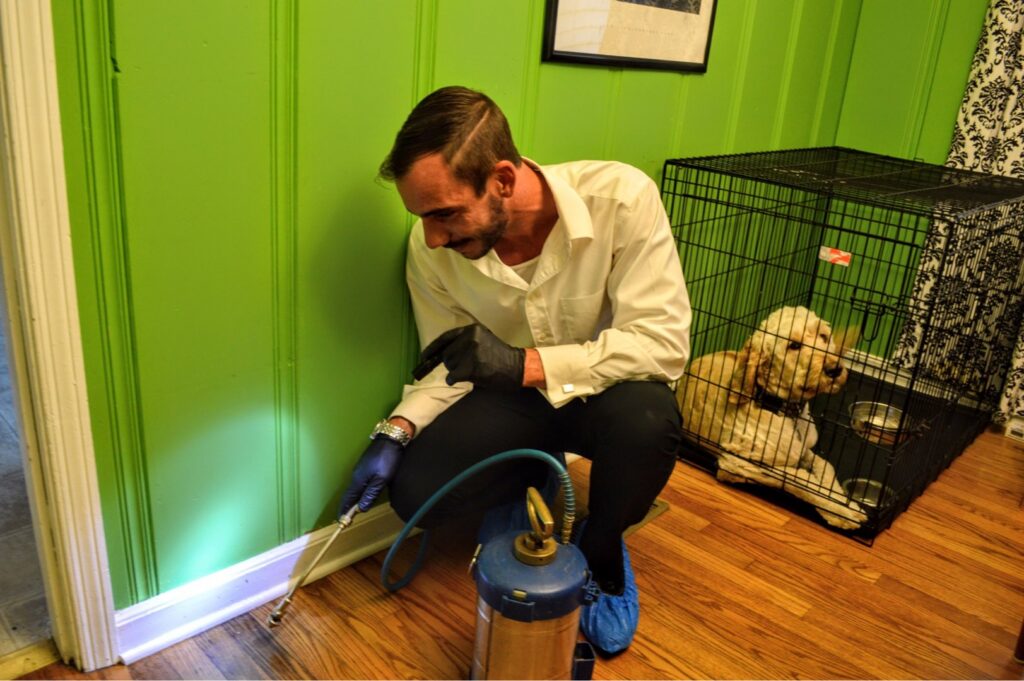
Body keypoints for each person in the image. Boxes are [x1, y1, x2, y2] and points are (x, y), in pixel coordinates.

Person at [339, 85, 691, 656]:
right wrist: (396, 430)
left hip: (608, 398)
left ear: (502, 179)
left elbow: (663, 343)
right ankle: (527, 485)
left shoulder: (622, 199)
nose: (432, 237)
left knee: (649, 420)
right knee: (415, 494)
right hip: (511, 405)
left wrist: (525, 363)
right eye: (421, 217)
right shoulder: (432, 247)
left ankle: (601, 547)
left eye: (445, 214)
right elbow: (446, 365)